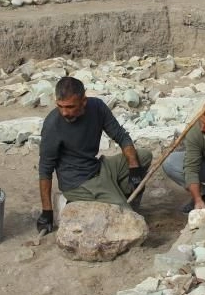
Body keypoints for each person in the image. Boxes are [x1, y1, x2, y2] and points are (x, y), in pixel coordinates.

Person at [36, 76, 152, 232]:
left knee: (143, 156)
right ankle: (111, 203)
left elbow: (121, 136)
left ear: (83, 101)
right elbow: (45, 169)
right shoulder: (52, 124)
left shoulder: (96, 107)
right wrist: (46, 212)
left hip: (97, 167)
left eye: (70, 107)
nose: (64, 112)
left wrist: (134, 167)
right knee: (125, 218)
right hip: (78, 182)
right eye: (60, 106)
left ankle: (117, 199)